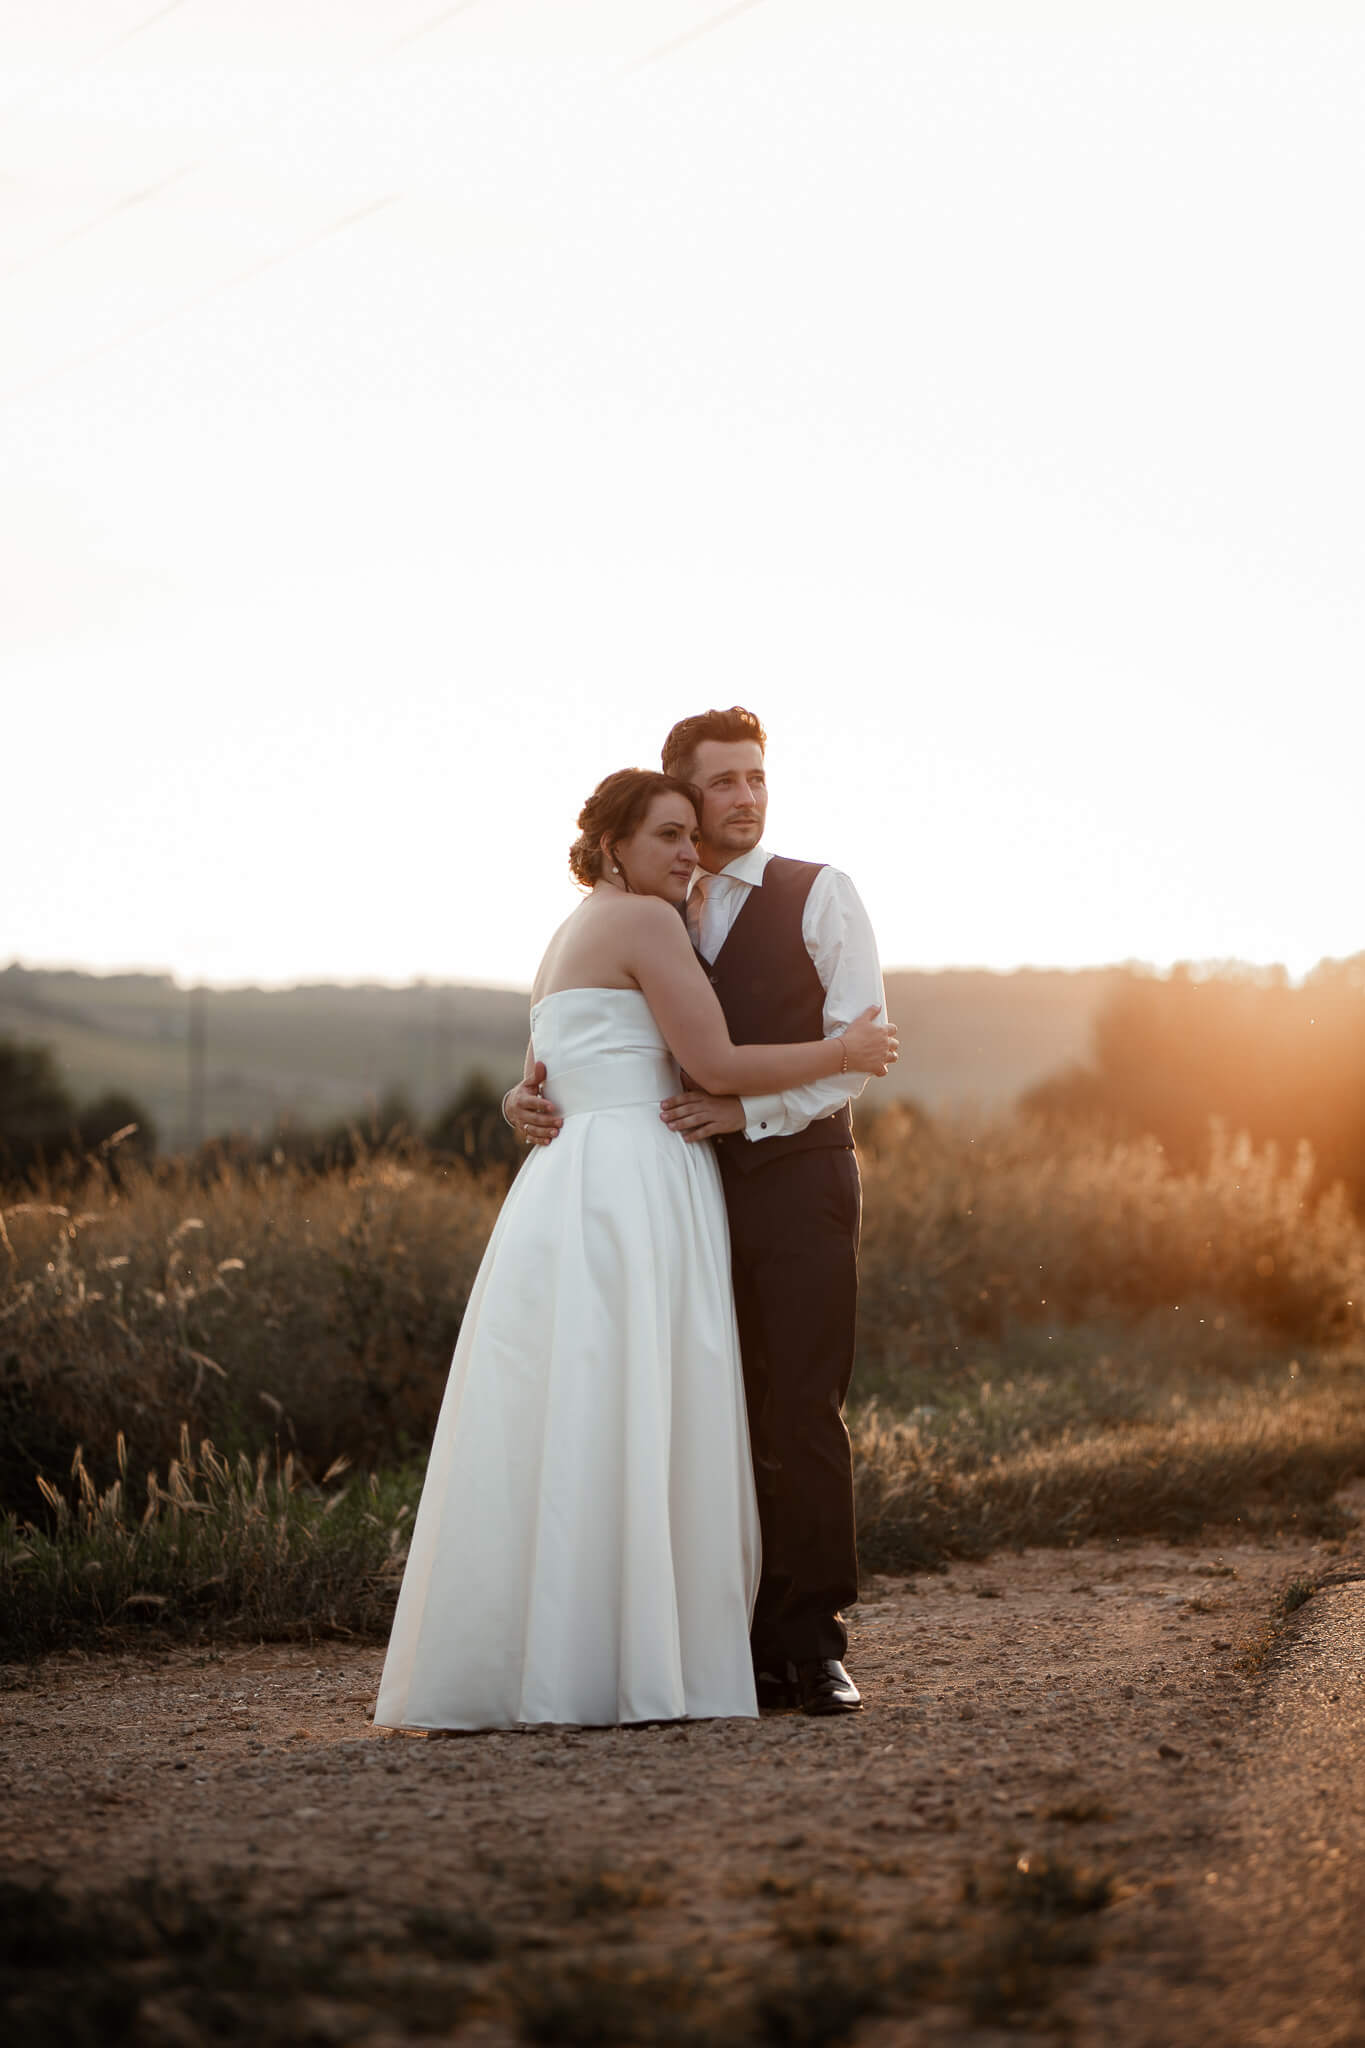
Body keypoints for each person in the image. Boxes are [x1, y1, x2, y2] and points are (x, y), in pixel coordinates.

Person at [374, 769, 896, 1732]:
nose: (688, 853)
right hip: (639, 1181)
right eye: (668, 834)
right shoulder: (652, 924)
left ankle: (559, 1657)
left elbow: (555, 1066)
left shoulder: (565, 931)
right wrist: (843, 1052)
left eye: (692, 837)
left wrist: (514, 1103)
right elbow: (713, 1067)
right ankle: (643, 1656)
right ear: (613, 844)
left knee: (578, 1411)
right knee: (646, 1404)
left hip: (565, 1188)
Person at [507, 710, 886, 1717]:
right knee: (701, 1405)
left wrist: (747, 1107)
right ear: (678, 796)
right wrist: (527, 1096)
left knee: (799, 1409)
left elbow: (860, 1045)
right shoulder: (653, 905)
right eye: (722, 783)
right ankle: (719, 1639)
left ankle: (810, 1645)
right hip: (679, 1187)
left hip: (799, 1181)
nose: (747, 797)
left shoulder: (821, 893)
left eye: (757, 776)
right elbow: (578, 1042)